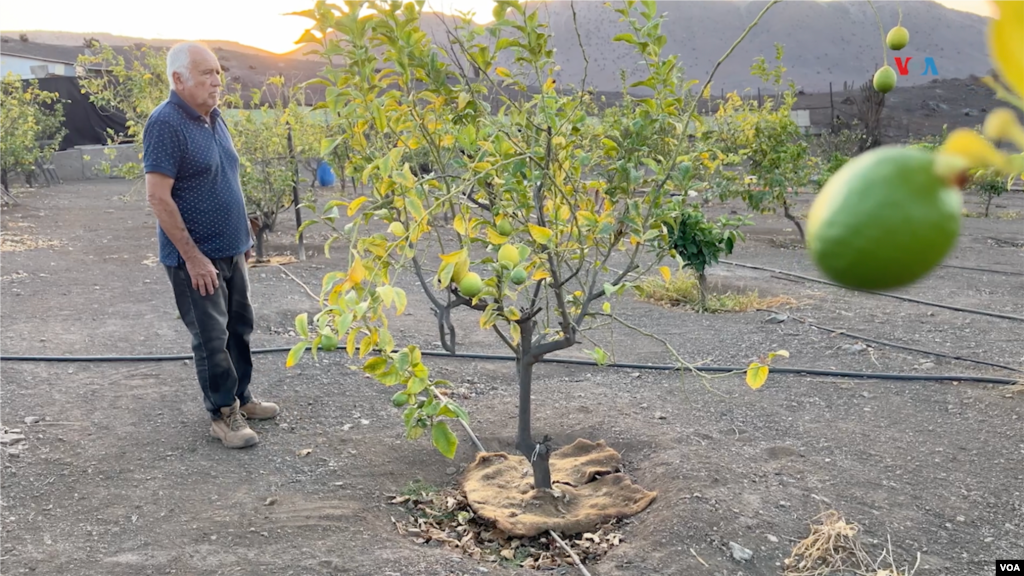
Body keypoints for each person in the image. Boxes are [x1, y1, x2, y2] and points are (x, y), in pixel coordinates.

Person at [142, 41, 279, 449]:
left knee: (240, 328)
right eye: (206, 73)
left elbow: (226, 178)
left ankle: (243, 397)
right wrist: (194, 257)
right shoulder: (165, 123)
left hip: (232, 248)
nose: (217, 80)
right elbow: (158, 197)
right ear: (178, 79)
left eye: (218, 72)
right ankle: (223, 414)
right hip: (196, 258)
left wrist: (244, 236)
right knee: (211, 338)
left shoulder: (215, 118)